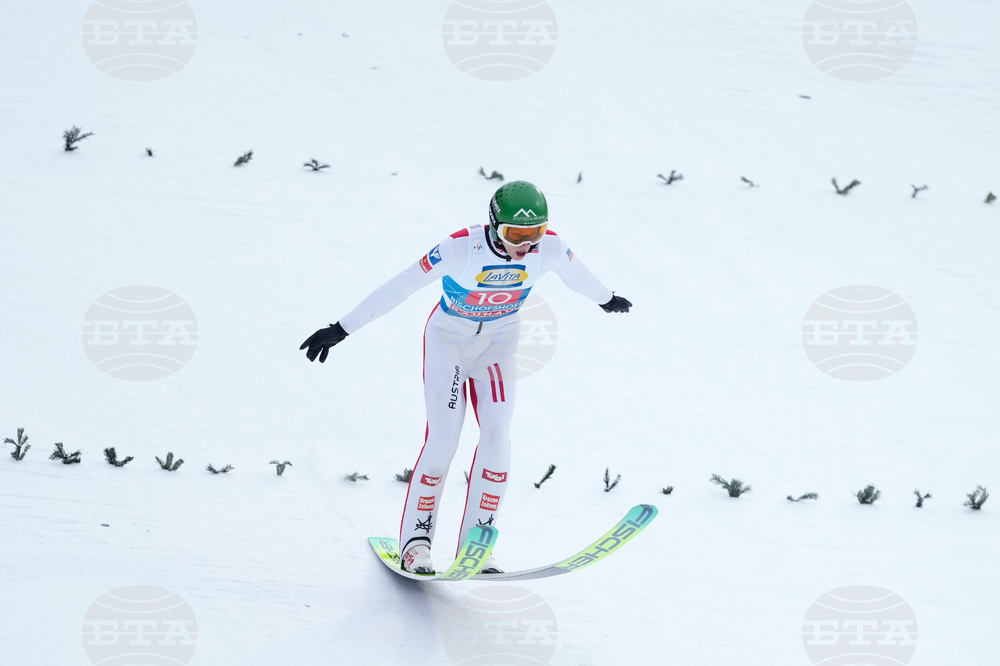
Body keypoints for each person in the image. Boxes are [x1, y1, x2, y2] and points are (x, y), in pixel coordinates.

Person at [300, 181, 631, 574]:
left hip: (499, 343)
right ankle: (415, 545)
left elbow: (578, 277)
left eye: (534, 234)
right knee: (443, 441)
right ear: (494, 226)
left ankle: (478, 545)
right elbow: (400, 287)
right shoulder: (460, 248)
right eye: (515, 235)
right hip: (449, 342)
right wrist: (342, 328)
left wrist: (606, 299)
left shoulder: (551, 248)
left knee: (497, 438)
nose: (525, 245)